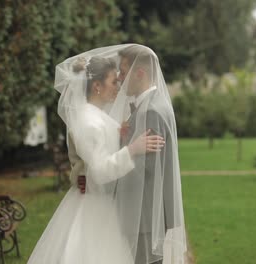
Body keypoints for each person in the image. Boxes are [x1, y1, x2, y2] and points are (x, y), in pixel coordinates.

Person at [27, 52, 165, 264]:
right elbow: (99, 171)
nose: (118, 86)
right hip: (94, 208)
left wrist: (121, 133)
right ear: (97, 86)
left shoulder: (96, 116)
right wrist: (132, 150)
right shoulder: (88, 121)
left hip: (102, 204)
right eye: (113, 81)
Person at [79, 44, 187, 264]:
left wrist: (98, 181)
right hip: (142, 215)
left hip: (143, 217)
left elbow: (145, 169)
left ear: (140, 73)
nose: (119, 77)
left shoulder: (152, 110)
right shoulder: (150, 106)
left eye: (124, 71)